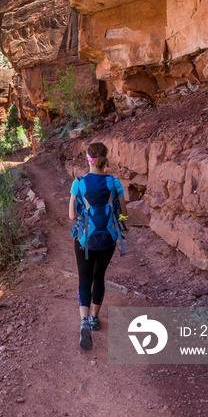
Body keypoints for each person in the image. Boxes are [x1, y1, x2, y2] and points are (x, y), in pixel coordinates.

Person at [68, 142, 128, 350]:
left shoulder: (79, 183)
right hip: (107, 240)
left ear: (88, 158)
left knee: (84, 279)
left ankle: (84, 320)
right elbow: (123, 213)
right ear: (105, 158)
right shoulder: (114, 183)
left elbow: (71, 215)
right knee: (98, 277)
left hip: (84, 240)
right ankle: (95, 318)